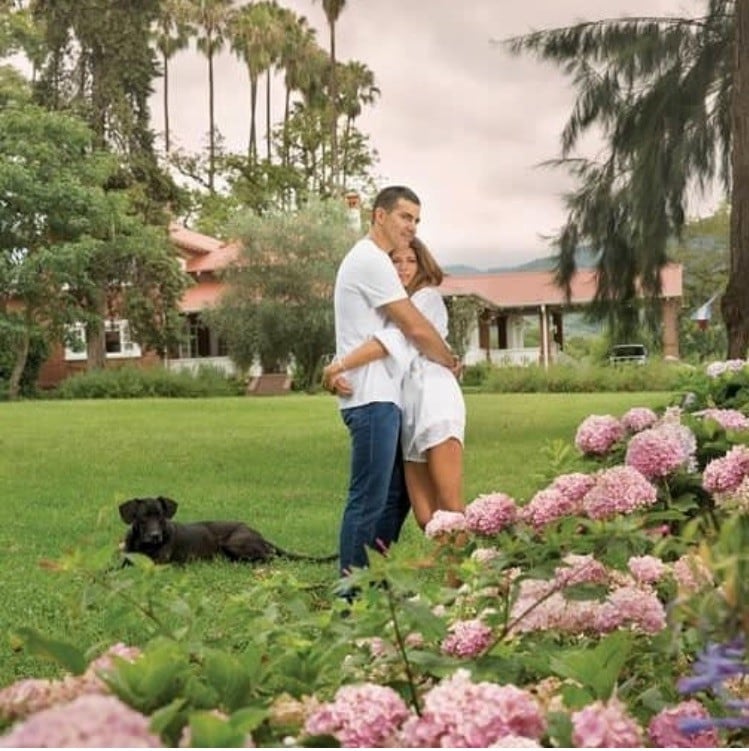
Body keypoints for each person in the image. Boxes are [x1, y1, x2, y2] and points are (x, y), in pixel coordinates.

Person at [325, 185, 457, 583]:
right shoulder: (370, 259)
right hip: (370, 399)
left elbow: (390, 332)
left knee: (393, 500)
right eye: (404, 217)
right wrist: (450, 360)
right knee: (367, 501)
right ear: (379, 216)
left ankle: (375, 579)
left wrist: (337, 364)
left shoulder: (378, 263)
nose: (411, 227)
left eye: (416, 220)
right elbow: (413, 328)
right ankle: (351, 596)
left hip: (386, 396)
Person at [323, 238, 466, 530]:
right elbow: (364, 337)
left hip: (435, 399)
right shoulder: (388, 306)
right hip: (408, 407)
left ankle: (466, 577)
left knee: (448, 504)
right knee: (425, 515)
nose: (402, 267)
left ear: (422, 264)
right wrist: (341, 372)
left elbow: (397, 340)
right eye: (395, 260)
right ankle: (447, 567)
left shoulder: (426, 298)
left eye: (411, 260)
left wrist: (340, 365)